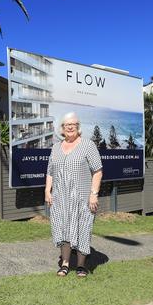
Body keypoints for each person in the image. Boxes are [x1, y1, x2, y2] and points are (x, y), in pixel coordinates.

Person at [45, 113, 103, 277]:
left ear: (78, 127)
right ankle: (64, 263)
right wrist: (47, 191)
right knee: (62, 228)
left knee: (83, 228)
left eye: (73, 124)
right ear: (62, 129)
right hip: (60, 198)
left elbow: (97, 171)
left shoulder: (88, 145)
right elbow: (50, 171)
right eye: (66, 125)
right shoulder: (56, 147)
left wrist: (94, 194)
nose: (70, 127)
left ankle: (81, 265)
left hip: (82, 198)